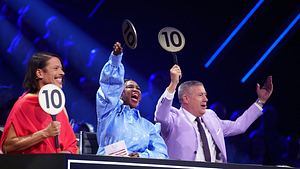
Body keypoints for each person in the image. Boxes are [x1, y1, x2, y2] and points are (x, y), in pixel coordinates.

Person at [155, 64, 273, 162]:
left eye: (205, 95)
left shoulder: (211, 116)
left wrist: (260, 101)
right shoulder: (174, 117)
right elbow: (160, 115)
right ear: (186, 99)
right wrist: (173, 84)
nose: (206, 99)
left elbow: (239, 126)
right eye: (200, 95)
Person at [96, 42, 168, 158]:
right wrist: (115, 60)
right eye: (130, 87)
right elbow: (109, 86)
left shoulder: (148, 126)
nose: (135, 90)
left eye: (138, 89)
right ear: (119, 93)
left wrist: (141, 156)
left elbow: (162, 153)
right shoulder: (109, 113)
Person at [0, 52, 78, 154]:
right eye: (56, 68)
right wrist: (44, 134)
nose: (62, 73)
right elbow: (7, 146)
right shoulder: (24, 104)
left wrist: (67, 153)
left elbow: (72, 145)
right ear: (39, 73)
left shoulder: (60, 106)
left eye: (61, 68)